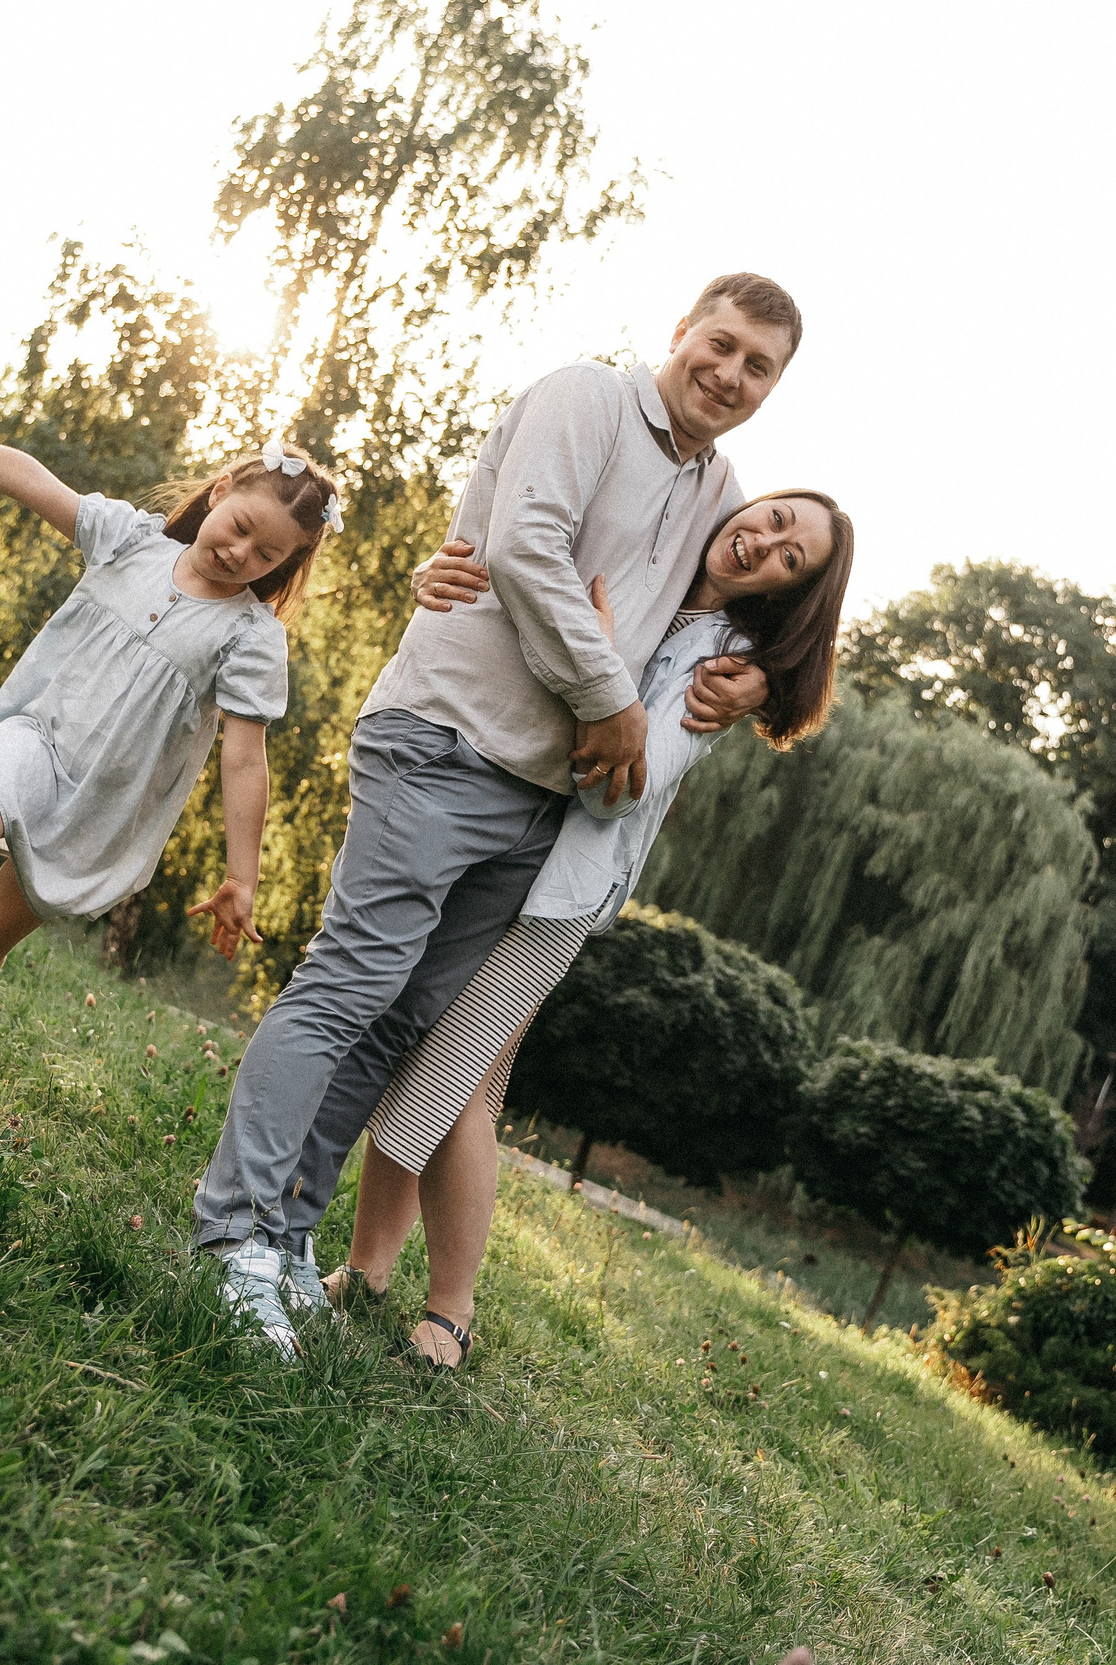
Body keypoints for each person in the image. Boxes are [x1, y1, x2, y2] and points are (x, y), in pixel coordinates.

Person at [192, 273, 806, 1357]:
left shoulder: (721, 489)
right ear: (680, 330)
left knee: (399, 1024)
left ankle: (288, 1235)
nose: (729, 374)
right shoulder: (585, 399)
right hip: (444, 739)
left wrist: (761, 683)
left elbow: (764, 598)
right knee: (349, 987)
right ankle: (229, 1240)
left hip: (539, 801)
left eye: (758, 366)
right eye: (719, 345)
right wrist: (611, 705)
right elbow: (522, 548)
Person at [332, 487, 854, 1365]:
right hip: (498, 834)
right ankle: (370, 1269)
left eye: (790, 559)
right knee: (435, 1054)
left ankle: (449, 1311)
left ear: (787, 596)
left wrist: (604, 664)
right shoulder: (655, 559)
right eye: (772, 519)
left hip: (557, 886)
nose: (763, 545)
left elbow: (630, 781)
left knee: (454, 1077)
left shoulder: (722, 659)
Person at [0, 377, 341, 1040]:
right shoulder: (129, 542)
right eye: (241, 529)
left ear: (288, 561)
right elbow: (28, 478)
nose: (240, 553)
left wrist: (241, 874)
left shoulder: (250, 636)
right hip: (35, 736)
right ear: (222, 492)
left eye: (268, 554)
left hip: (102, 804)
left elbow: (244, 757)